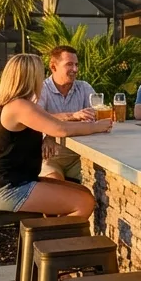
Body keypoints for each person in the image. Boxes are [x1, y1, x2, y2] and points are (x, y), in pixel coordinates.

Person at [0, 54, 113, 218]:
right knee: (83, 202)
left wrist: (84, 124)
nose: (42, 80)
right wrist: (95, 127)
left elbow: (50, 122)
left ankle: (52, 239)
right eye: (40, 74)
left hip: (17, 181)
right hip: (5, 188)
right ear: (30, 77)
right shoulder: (19, 106)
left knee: (84, 193)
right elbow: (60, 129)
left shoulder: (19, 104)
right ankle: (54, 242)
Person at [37, 45, 95, 180]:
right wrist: (48, 135)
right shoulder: (41, 89)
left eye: (76, 65)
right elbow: (36, 117)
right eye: (69, 64)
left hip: (79, 157)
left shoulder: (84, 88)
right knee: (56, 184)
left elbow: (95, 116)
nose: (75, 69)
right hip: (50, 157)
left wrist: (51, 127)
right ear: (53, 67)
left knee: (98, 182)